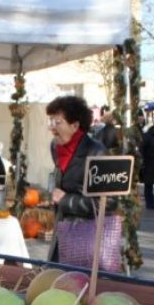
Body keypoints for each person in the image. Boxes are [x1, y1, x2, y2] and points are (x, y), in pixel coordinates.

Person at [45, 95, 117, 263]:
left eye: (57, 122)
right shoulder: (55, 147)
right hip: (62, 232)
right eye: (51, 122)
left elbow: (109, 203)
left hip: (87, 238)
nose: (52, 128)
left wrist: (66, 200)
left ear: (75, 125)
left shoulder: (96, 152)